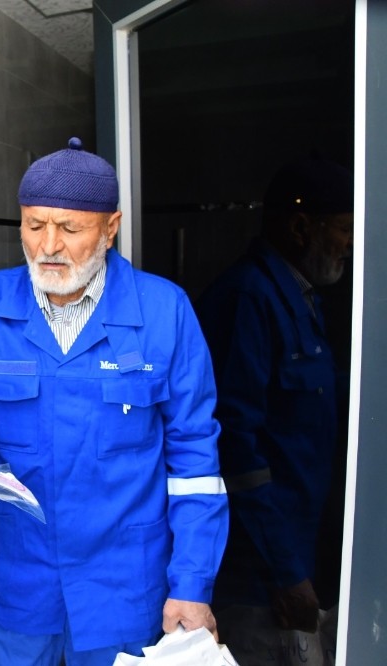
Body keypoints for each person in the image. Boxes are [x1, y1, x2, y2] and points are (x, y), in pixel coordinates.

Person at [0, 137, 229, 665]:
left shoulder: (165, 312)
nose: (48, 245)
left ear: (110, 227)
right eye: (34, 226)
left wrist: (192, 582)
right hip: (18, 586)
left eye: (70, 228)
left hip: (124, 590)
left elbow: (195, 457)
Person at [195, 155, 353, 660]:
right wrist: (287, 573)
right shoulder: (250, 299)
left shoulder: (302, 299)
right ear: (302, 227)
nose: (350, 245)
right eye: (345, 229)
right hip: (260, 582)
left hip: (301, 560)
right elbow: (236, 449)